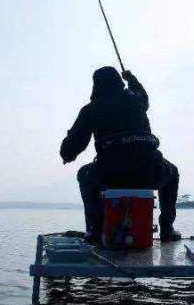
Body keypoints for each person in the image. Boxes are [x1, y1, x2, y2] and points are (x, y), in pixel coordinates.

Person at [60, 66, 181, 242]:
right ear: (119, 82)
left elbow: (70, 151)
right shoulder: (136, 101)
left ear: (95, 85)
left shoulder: (91, 109)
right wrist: (131, 78)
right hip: (150, 173)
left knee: (84, 175)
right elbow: (143, 96)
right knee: (173, 173)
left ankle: (95, 230)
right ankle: (167, 229)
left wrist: (67, 151)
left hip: (110, 176)